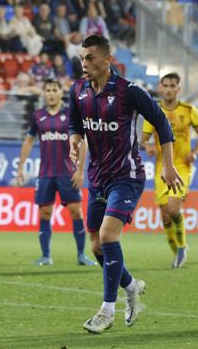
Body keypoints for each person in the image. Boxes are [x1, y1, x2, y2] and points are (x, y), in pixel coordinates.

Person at [68, 35, 181, 334]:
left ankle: (107, 310)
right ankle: (131, 287)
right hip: (97, 178)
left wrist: (168, 166)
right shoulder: (77, 90)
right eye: (82, 57)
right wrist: (74, 140)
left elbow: (161, 123)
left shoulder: (129, 91)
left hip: (127, 176)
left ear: (107, 60)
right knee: (96, 247)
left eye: (90, 57)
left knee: (107, 235)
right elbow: (75, 125)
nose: (84, 63)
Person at [17, 79, 96, 267]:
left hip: (67, 172)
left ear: (61, 92)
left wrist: (80, 170)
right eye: (48, 90)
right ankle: (45, 256)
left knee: (76, 211)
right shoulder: (38, 116)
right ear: (44, 93)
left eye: (54, 90)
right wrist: (20, 167)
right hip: (45, 174)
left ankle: (81, 255)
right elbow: (28, 141)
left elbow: (82, 141)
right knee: (44, 213)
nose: (51, 93)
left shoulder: (71, 114)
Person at [141, 72, 198, 268]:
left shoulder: (189, 110)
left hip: (182, 166)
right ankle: (177, 252)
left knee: (174, 209)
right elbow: (143, 139)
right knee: (165, 216)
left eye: (172, 85)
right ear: (160, 88)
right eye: (165, 85)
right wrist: (147, 146)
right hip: (161, 168)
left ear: (178, 89)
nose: (168, 89)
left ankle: (182, 248)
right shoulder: (153, 111)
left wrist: (195, 152)